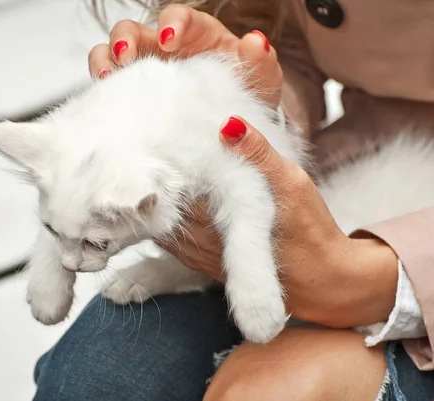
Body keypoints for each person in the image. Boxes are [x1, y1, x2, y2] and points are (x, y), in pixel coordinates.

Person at [33, 1, 434, 399]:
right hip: (365, 168)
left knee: (268, 390)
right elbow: (298, 43)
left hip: (403, 239)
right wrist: (244, 95)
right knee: (90, 378)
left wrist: (371, 280)